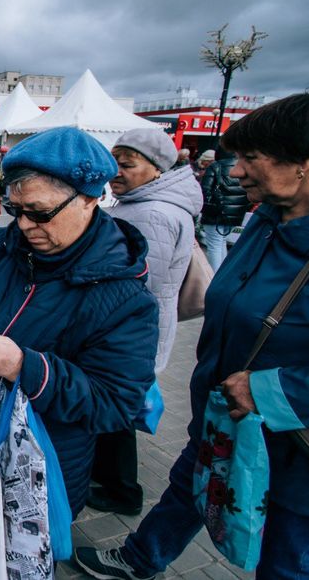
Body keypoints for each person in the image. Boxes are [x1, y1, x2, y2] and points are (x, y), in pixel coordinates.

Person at [74, 93, 309, 580]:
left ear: (302, 164)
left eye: (250, 158)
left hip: (291, 446)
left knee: (288, 551)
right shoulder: (266, 222)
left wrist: (268, 389)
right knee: (190, 484)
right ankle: (142, 559)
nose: (236, 172)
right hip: (223, 410)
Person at [0, 126, 159, 518]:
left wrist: (23, 367)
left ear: (90, 199)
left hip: (38, 474)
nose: (27, 226)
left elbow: (115, 404)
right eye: (16, 211)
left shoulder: (126, 299)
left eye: (41, 213)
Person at [86, 128, 203, 517]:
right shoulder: (140, 203)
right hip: (132, 329)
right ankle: (109, 478)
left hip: (131, 332)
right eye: (114, 161)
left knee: (116, 407)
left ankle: (122, 490)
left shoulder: (153, 212)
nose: (116, 171)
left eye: (127, 163)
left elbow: (140, 287)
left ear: (156, 168)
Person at [199, 148, 246, 271]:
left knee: (214, 245)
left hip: (215, 213)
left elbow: (205, 190)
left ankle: (214, 276)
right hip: (235, 213)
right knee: (221, 242)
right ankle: (220, 274)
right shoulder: (242, 167)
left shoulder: (216, 166)